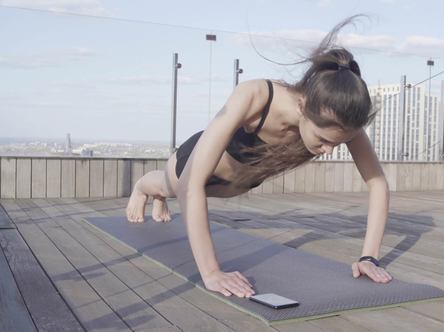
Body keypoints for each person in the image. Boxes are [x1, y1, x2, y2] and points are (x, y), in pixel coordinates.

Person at [125, 16, 392, 299]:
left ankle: (156, 195)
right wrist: (212, 272)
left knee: (187, 191)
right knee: (167, 186)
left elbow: (377, 184)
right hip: (193, 167)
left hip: (235, 185)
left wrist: (369, 257)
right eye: (324, 141)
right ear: (302, 106)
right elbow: (191, 184)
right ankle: (143, 188)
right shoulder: (255, 96)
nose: (328, 151)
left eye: (338, 144)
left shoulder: (340, 122)